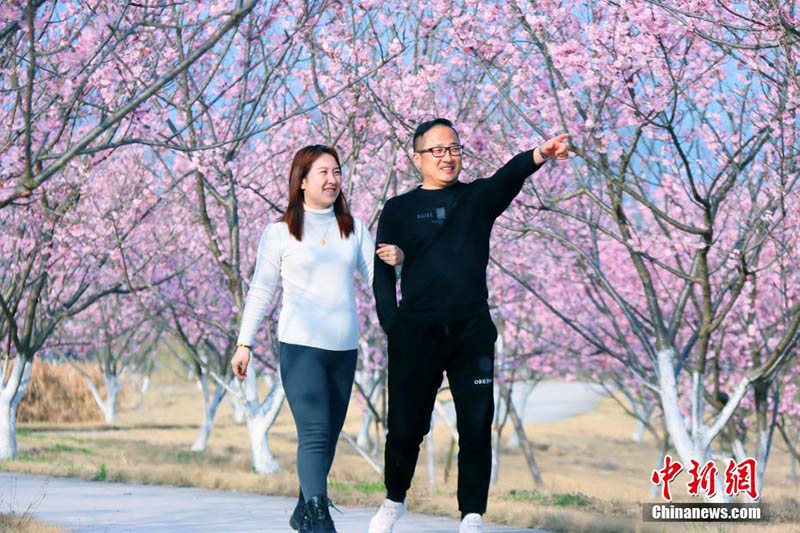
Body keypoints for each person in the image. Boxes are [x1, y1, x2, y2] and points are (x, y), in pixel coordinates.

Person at [369, 119, 569, 533]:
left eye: (454, 148)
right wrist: (394, 326)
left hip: (471, 331)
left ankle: (472, 515)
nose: (447, 157)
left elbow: (509, 175)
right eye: (437, 151)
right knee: (407, 427)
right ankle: (394, 500)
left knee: (476, 425)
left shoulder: (477, 198)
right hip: (416, 333)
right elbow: (382, 273)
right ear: (417, 158)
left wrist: (541, 154)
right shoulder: (398, 209)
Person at [231, 145, 404, 533]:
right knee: (314, 432)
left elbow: (375, 278)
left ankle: (301, 511)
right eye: (322, 172)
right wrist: (244, 343)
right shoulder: (279, 232)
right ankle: (318, 519)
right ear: (302, 181)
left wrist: (400, 262)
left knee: (328, 437)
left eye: (337, 172)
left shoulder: (354, 227)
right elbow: (261, 290)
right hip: (300, 346)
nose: (331, 179)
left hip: (344, 349)